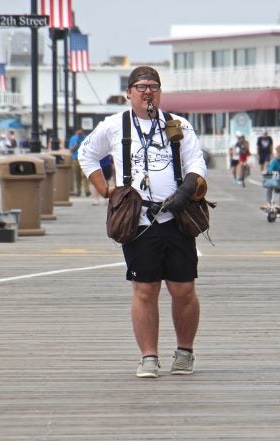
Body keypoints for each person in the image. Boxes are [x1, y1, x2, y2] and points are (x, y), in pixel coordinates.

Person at [79, 66, 207, 378]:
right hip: (138, 220)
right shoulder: (114, 125)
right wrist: (106, 190)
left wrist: (186, 190)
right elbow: (86, 155)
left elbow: (196, 164)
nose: (147, 91)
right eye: (140, 86)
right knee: (145, 289)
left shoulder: (178, 125)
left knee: (183, 289)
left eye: (153, 86)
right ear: (129, 93)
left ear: (160, 92)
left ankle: (185, 352)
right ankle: (148, 356)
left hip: (176, 217)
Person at [69, 128, 90, 197]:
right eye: (78, 131)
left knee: (84, 175)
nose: (79, 132)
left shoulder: (86, 138)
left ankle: (87, 191)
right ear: (76, 131)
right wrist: (76, 145)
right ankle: (78, 191)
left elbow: (89, 148)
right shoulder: (73, 138)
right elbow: (71, 150)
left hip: (84, 159)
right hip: (76, 159)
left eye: (80, 131)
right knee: (77, 176)